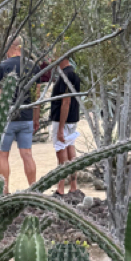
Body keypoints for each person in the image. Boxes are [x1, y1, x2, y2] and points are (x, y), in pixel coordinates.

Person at [0, 37, 39, 189]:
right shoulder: (32, 66)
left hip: (7, 117)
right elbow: (36, 95)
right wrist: (36, 118)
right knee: (27, 154)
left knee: (3, 155)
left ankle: (5, 191)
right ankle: (33, 188)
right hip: (27, 116)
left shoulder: (3, 66)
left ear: (9, 48)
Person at [47, 56, 83, 197]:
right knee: (69, 149)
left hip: (62, 120)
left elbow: (65, 102)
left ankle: (60, 187)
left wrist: (60, 128)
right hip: (73, 119)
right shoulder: (74, 74)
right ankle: (73, 186)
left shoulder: (66, 76)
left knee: (61, 150)